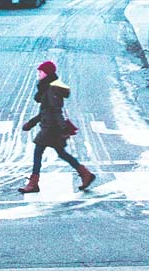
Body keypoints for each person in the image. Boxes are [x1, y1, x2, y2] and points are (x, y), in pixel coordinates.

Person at [18, 60, 96, 193]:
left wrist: (63, 129)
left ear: (47, 73)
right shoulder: (47, 87)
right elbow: (45, 111)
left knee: (38, 152)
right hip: (50, 126)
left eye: (41, 72)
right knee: (62, 153)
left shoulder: (51, 88)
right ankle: (86, 174)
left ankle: (33, 183)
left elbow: (55, 110)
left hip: (51, 129)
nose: (39, 74)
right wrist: (32, 123)